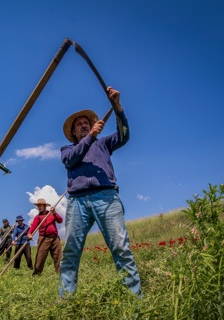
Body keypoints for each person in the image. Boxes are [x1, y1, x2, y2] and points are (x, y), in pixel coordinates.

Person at [58, 86, 141, 298]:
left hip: (106, 197)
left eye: (87, 123)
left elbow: (124, 136)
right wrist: (91, 137)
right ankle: (65, 301)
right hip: (77, 202)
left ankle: (134, 299)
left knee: (121, 248)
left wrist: (118, 108)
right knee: (70, 253)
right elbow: (70, 160)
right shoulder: (67, 150)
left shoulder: (104, 143)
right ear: (74, 132)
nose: (84, 125)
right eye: (79, 125)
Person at [27, 198, 63, 275]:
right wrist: (29, 234)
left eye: (41, 206)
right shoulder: (38, 217)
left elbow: (60, 221)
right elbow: (33, 226)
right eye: (38, 206)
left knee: (58, 256)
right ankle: (36, 274)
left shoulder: (51, 214)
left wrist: (54, 213)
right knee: (40, 257)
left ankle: (60, 273)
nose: (39, 207)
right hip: (44, 238)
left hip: (55, 238)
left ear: (45, 206)